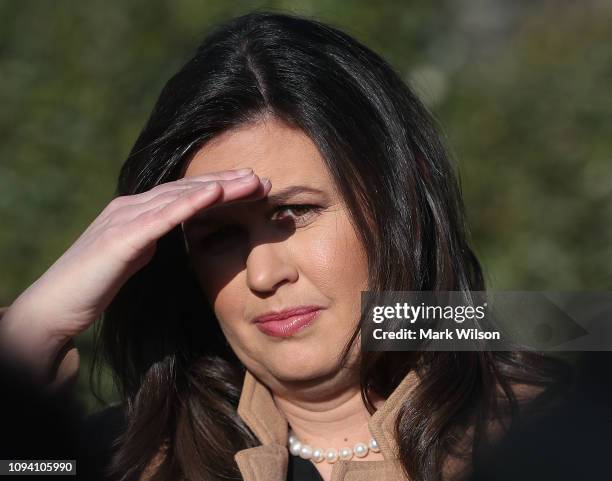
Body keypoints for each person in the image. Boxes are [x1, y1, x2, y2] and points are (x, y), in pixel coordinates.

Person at [0, 11, 572, 481]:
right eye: (219, 236)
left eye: (293, 214)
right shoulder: (116, 459)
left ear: (399, 198)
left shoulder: (562, 435)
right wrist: (29, 333)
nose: (263, 273)